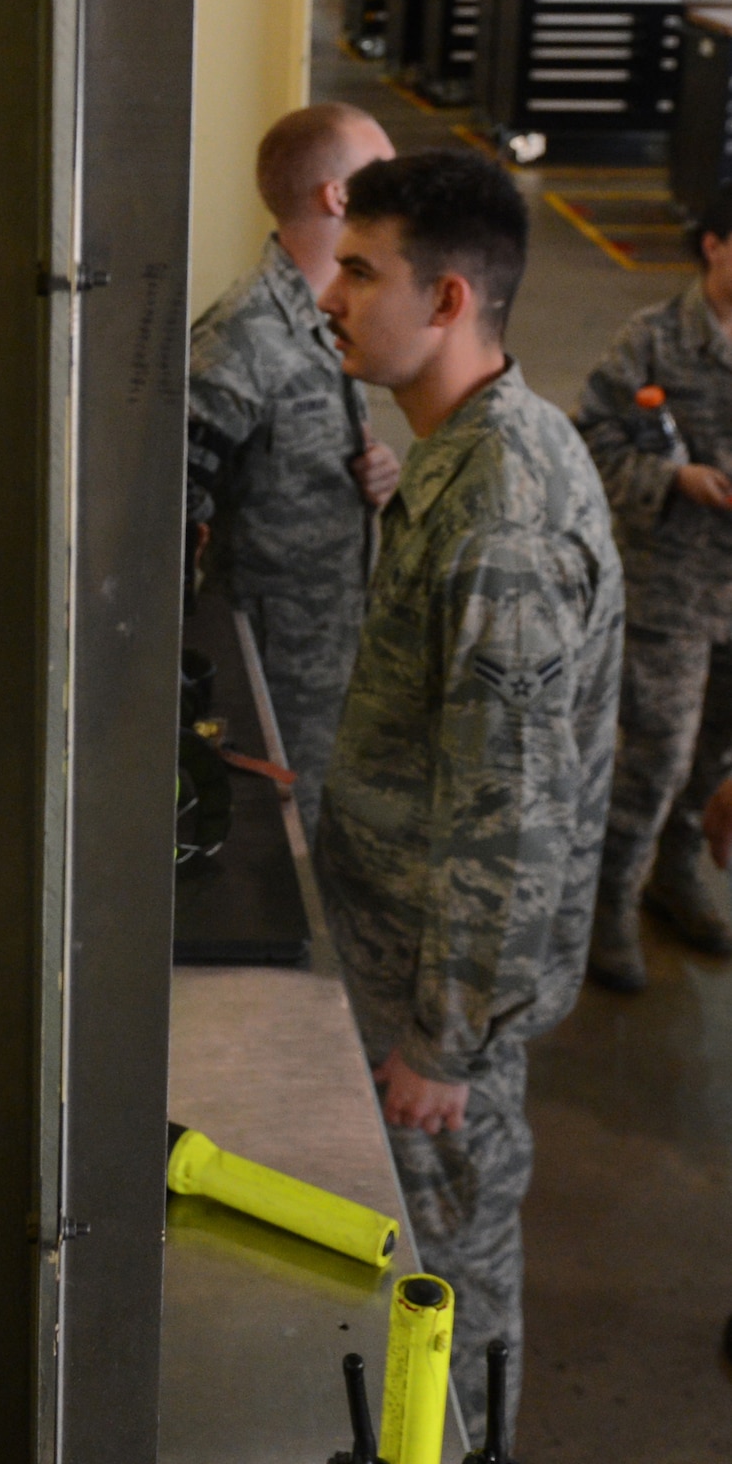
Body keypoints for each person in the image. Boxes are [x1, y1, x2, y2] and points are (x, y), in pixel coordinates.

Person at [314, 150, 623, 1445]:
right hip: (406, 943)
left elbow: (512, 817)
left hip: (438, 981)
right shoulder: (466, 449)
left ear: (445, 300)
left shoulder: (500, 520)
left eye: (358, 270)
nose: (327, 294)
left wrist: (441, 1042)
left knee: (447, 1267)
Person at [187, 103, 399, 834]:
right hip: (267, 675)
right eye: (382, 171)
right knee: (278, 842)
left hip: (332, 649)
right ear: (337, 196)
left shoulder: (331, 312)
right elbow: (161, 515)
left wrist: (369, 474)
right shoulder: (241, 338)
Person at [575, 184, 732, 992]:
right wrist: (675, 479)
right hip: (670, 586)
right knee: (655, 755)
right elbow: (593, 440)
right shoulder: (653, 340)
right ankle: (609, 901)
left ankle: (675, 876)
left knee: (712, 756)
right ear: (715, 245)